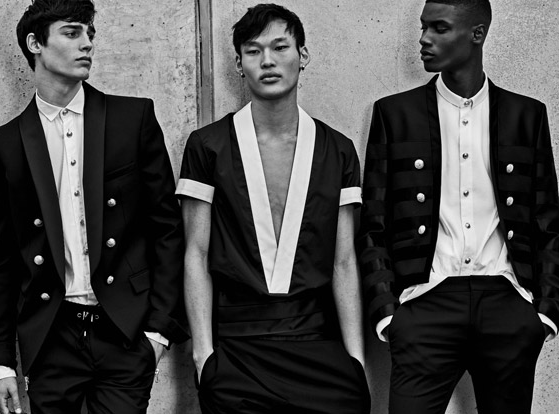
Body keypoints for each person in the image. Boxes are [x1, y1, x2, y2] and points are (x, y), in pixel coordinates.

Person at [0, 1, 187, 412]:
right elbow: (2, 258)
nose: (87, 43)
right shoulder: (3, 145)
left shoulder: (133, 119)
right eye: (72, 33)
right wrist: (1, 361)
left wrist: (158, 332)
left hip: (125, 333)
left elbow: (167, 227)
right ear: (35, 44)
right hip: (51, 337)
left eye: (90, 33)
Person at [357, 0, 559, 413]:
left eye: (439, 28)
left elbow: (549, 222)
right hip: (424, 303)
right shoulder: (395, 115)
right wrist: (389, 314)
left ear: (477, 34)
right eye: (423, 27)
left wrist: (543, 315)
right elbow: (373, 224)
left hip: (507, 304)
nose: (423, 39)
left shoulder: (526, 116)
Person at [176, 3, 371, 414]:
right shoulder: (208, 145)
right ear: (238, 64)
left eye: (280, 47)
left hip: (318, 342)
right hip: (236, 348)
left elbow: (344, 261)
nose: (267, 60)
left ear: (303, 55)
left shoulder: (337, 150)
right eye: (253, 50)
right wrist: (203, 357)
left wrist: (356, 360)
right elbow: (195, 252)